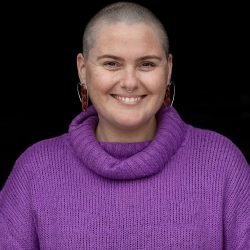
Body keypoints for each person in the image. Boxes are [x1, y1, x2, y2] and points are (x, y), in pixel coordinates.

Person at [0, 1, 249, 249]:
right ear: (83, 70)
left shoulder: (222, 164)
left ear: (169, 69)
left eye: (147, 64)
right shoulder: (35, 171)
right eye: (111, 63)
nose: (130, 82)